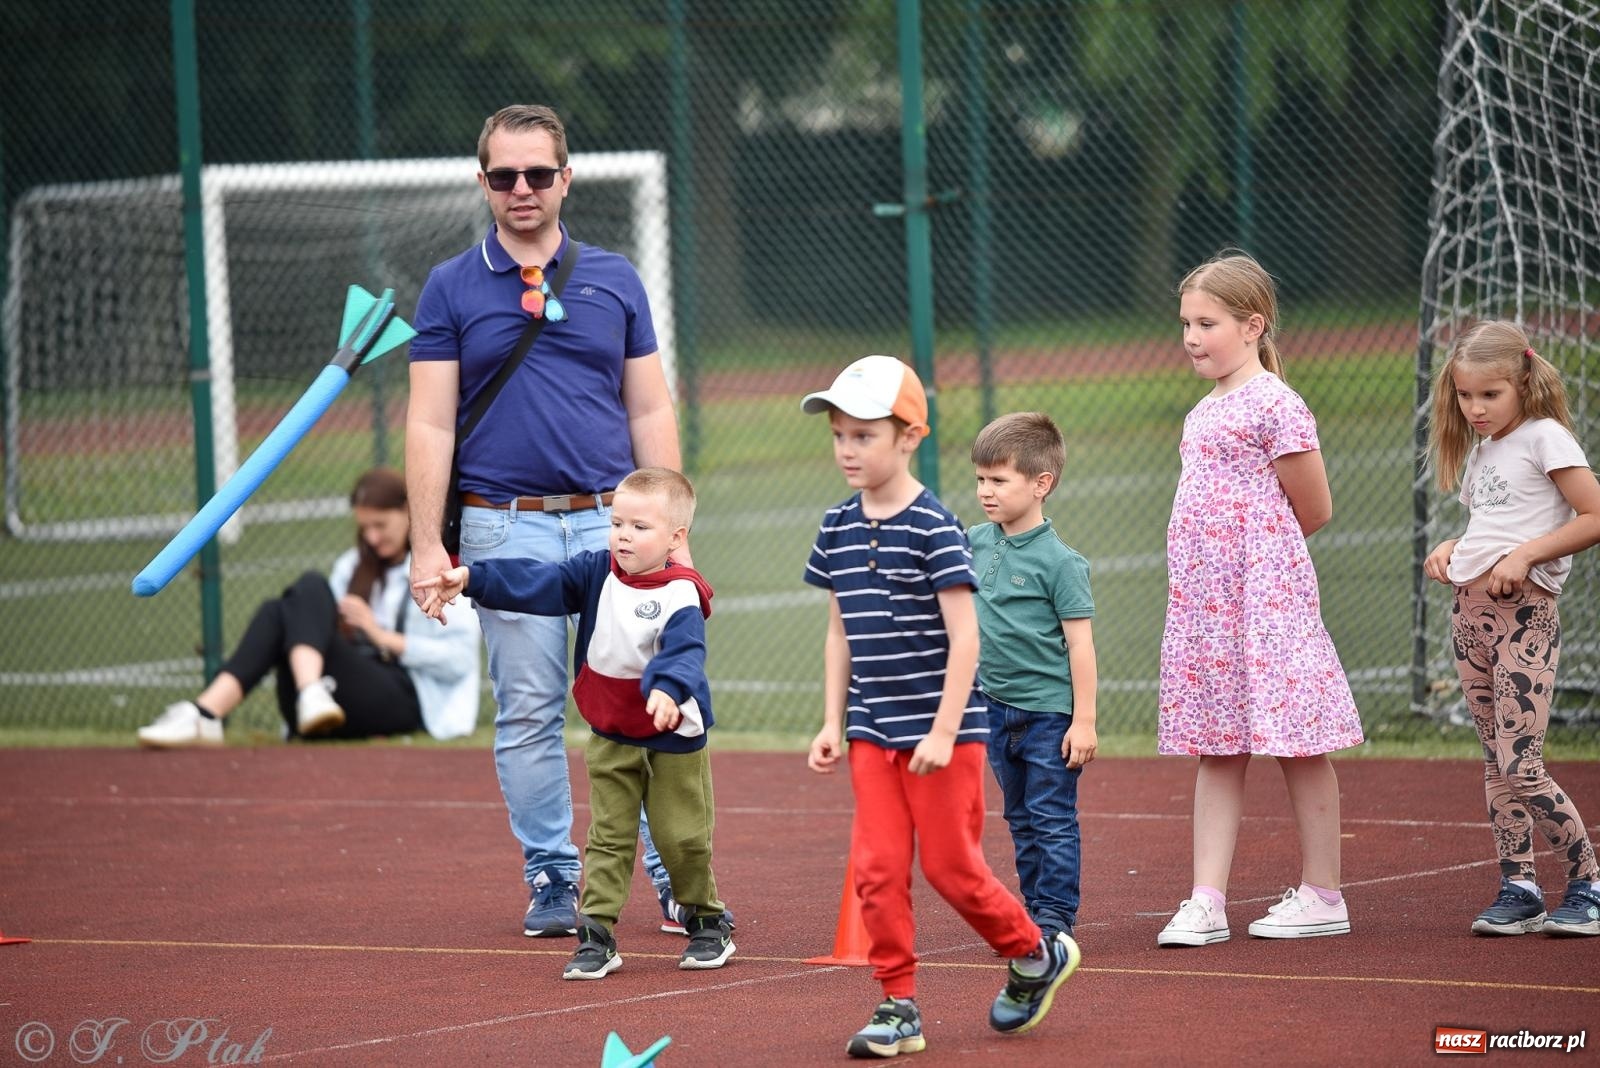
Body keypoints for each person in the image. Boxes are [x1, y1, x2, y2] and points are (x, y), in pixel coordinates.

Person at [405, 103, 684, 939]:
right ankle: (553, 874)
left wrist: (672, 531)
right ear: (482, 181)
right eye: (504, 175)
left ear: (566, 178)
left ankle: (675, 872)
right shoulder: (450, 285)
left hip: (614, 526)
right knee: (529, 711)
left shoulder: (616, 278)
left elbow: (649, 407)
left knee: (644, 702)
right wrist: (426, 544)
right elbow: (429, 423)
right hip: (501, 525)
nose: (520, 188)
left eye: (536, 173)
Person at [801, 355, 1078, 1059]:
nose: (847, 450)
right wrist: (833, 720)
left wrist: (944, 729)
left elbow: (966, 638)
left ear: (909, 437)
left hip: (944, 736)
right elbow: (838, 632)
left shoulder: (934, 526)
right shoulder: (835, 526)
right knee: (877, 870)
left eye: (864, 435)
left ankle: (1034, 953)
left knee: (952, 871)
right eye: (839, 436)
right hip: (872, 732)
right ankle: (898, 1006)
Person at [416, 467, 735, 976]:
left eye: (640, 527)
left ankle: (706, 921)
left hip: (673, 739)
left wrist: (668, 690)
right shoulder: (594, 572)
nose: (624, 535)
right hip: (612, 735)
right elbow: (539, 581)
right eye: (618, 523)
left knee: (682, 839)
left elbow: (684, 653)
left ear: (676, 538)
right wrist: (474, 578)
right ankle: (597, 934)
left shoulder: (682, 593)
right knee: (608, 838)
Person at [1156, 251, 1364, 948]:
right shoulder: (1201, 412)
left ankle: (1323, 894)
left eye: (1206, 323)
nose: (1191, 337)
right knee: (1218, 746)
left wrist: (1259, 562)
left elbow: (1314, 507)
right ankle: (1206, 901)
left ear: (1253, 326)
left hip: (1267, 608)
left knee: (1299, 744)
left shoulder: (1276, 403)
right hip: (1207, 611)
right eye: (1186, 323)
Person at [1424, 319, 1600, 937]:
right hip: (1470, 617)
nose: (1475, 408)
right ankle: (1520, 888)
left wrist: (1525, 557)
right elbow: (1492, 527)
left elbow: (1593, 514)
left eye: (1489, 394)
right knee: (1496, 764)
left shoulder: (1545, 437)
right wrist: (1453, 547)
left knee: (1522, 765)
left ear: (1523, 383)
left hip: (1523, 618)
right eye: (1464, 395)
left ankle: (1588, 883)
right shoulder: (1484, 450)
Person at [137, 468, 481, 748]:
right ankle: (211, 712)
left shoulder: (439, 569)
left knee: (295, 597)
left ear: (409, 512)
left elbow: (459, 661)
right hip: (344, 691)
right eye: (364, 528)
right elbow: (313, 625)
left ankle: (217, 714)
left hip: (408, 699)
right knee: (283, 607)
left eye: (380, 525)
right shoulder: (350, 566)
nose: (372, 538)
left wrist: (381, 637)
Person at [969, 412, 1098, 944]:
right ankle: (1033, 913)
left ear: (1041, 483)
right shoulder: (973, 541)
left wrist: (1083, 721)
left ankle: (1055, 920)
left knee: (1051, 817)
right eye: (980, 479)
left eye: (999, 480)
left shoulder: (1062, 563)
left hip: (1047, 714)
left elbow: (1080, 645)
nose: (985, 491)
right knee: (1019, 817)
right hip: (992, 707)